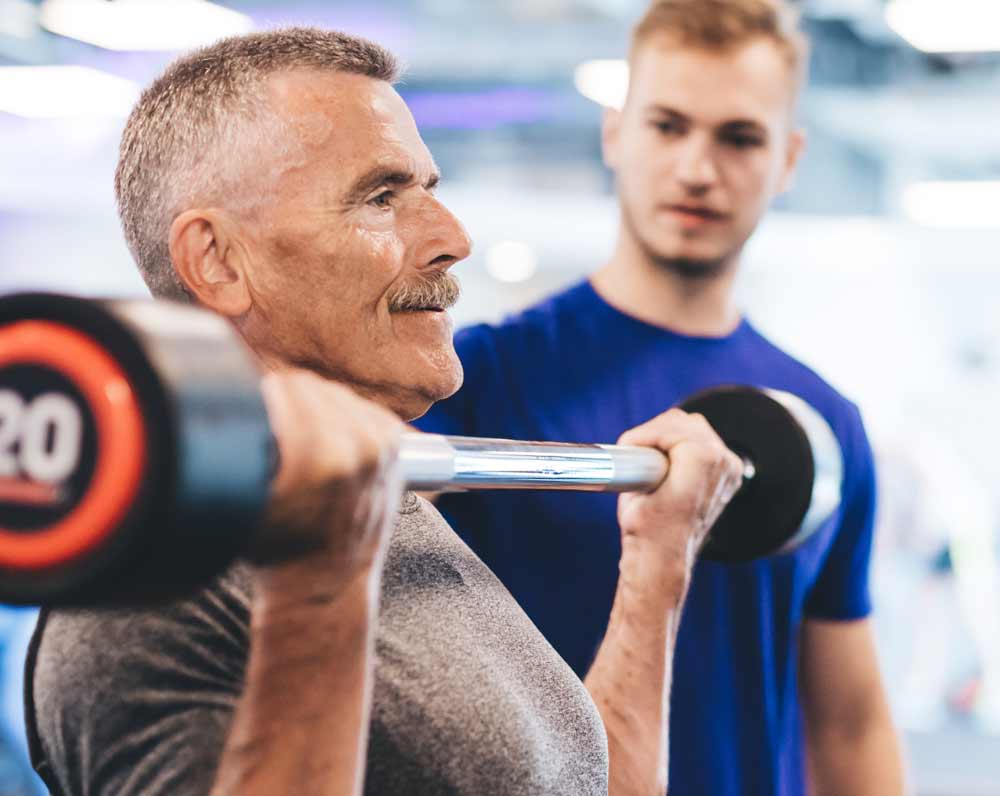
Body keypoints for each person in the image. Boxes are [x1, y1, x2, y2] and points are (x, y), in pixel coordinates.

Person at [23, 27, 745, 796]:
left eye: (429, 190)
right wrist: (318, 587)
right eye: (380, 197)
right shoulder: (152, 597)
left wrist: (657, 569)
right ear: (218, 261)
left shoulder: (396, 501)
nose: (452, 238)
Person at [415, 1, 905, 793]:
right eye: (668, 126)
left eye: (739, 137)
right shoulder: (475, 377)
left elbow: (849, 723)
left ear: (788, 159)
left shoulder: (827, 423)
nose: (697, 169)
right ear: (616, 132)